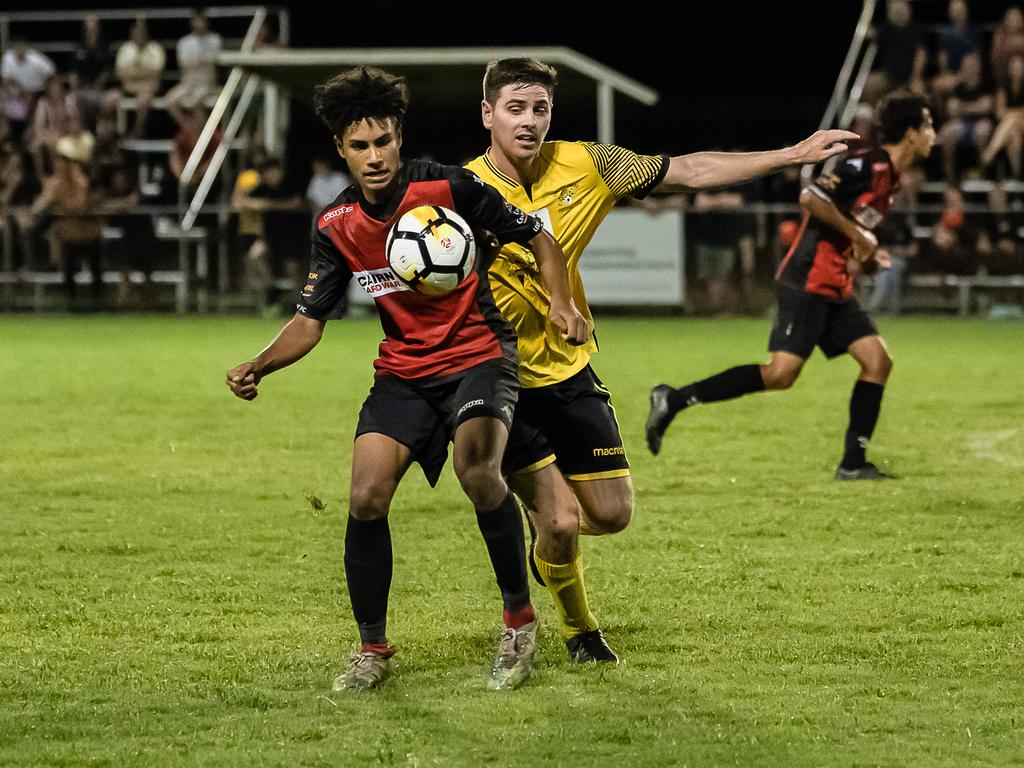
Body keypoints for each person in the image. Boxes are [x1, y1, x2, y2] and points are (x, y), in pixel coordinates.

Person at [465, 57, 858, 664]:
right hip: (502, 381)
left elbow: (692, 169)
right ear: (488, 114)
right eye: (515, 108)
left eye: (539, 108)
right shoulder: (461, 191)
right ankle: (581, 632)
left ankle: (547, 529)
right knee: (565, 522)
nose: (529, 121)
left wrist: (793, 153)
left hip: (569, 371)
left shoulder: (590, 164)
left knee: (613, 515)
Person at [225, 66, 589, 692]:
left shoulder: (450, 187)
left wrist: (561, 302)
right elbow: (310, 322)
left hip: (480, 355)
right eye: (360, 146)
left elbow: (538, 234)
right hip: (404, 372)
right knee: (365, 497)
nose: (374, 156)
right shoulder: (335, 226)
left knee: (479, 471)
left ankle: (518, 622)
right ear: (341, 149)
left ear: (399, 138)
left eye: (384, 141)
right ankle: (372, 650)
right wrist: (259, 363)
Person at [647, 91, 936, 481]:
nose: (935, 134)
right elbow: (811, 196)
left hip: (836, 283)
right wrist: (860, 236)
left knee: (877, 361)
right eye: (929, 125)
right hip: (808, 280)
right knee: (781, 375)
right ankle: (675, 398)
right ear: (913, 133)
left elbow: (848, 234)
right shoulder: (867, 163)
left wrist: (867, 256)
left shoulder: (892, 178)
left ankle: (853, 462)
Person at [115, 18, 165, 138]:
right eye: (137, 30)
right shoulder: (125, 49)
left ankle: (137, 131)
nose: (140, 33)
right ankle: (116, 135)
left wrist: (132, 73)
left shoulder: (156, 49)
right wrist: (143, 73)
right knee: (110, 99)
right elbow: (120, 73)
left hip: (149, 89)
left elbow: (156, 72)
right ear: (132, 32)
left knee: (144, 97)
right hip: (128, 89)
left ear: (147, 32)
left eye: (143, 30)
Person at [164, 8, 221, 111]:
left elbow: (213, 60)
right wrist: (200, 61)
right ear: (192, 22)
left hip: (206, 84)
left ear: (206, 22)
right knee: (170, 100)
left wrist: (196, 60)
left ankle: (199, 127)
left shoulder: (214, 39)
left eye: (202, 20)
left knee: (197, 100)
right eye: (197, 21)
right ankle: (187, 125)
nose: (199, 24)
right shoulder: (184, 41)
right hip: (188, 84)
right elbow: (183, 62)